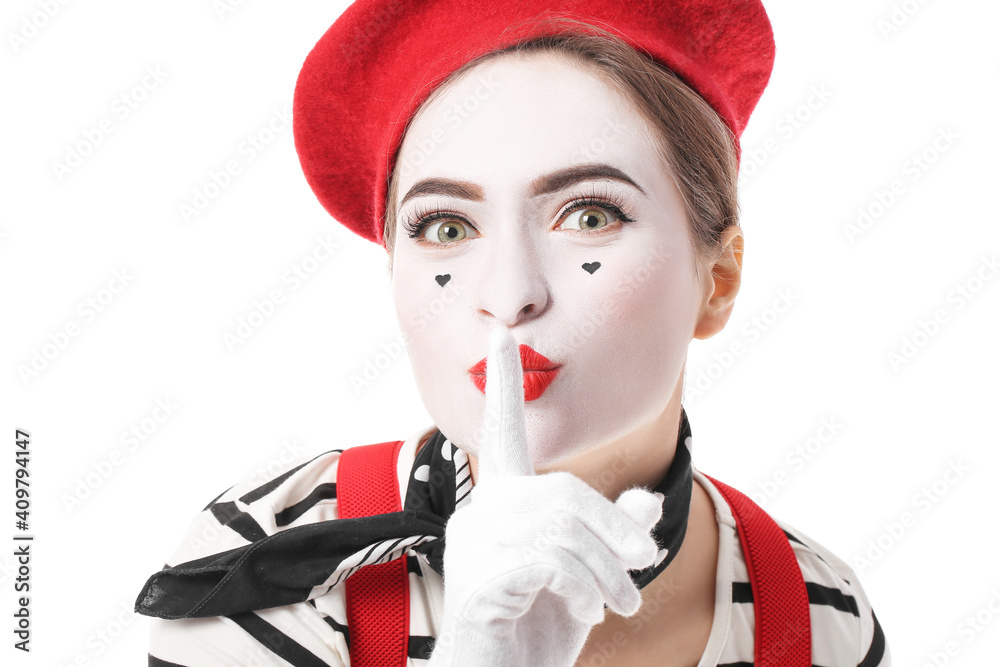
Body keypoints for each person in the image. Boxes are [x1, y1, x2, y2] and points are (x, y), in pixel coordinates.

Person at [135, 1, 890, 665]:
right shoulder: (264, 563)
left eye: (589, 216)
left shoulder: (819, 612)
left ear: (717, 281)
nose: (509, 294)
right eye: (447, 226)